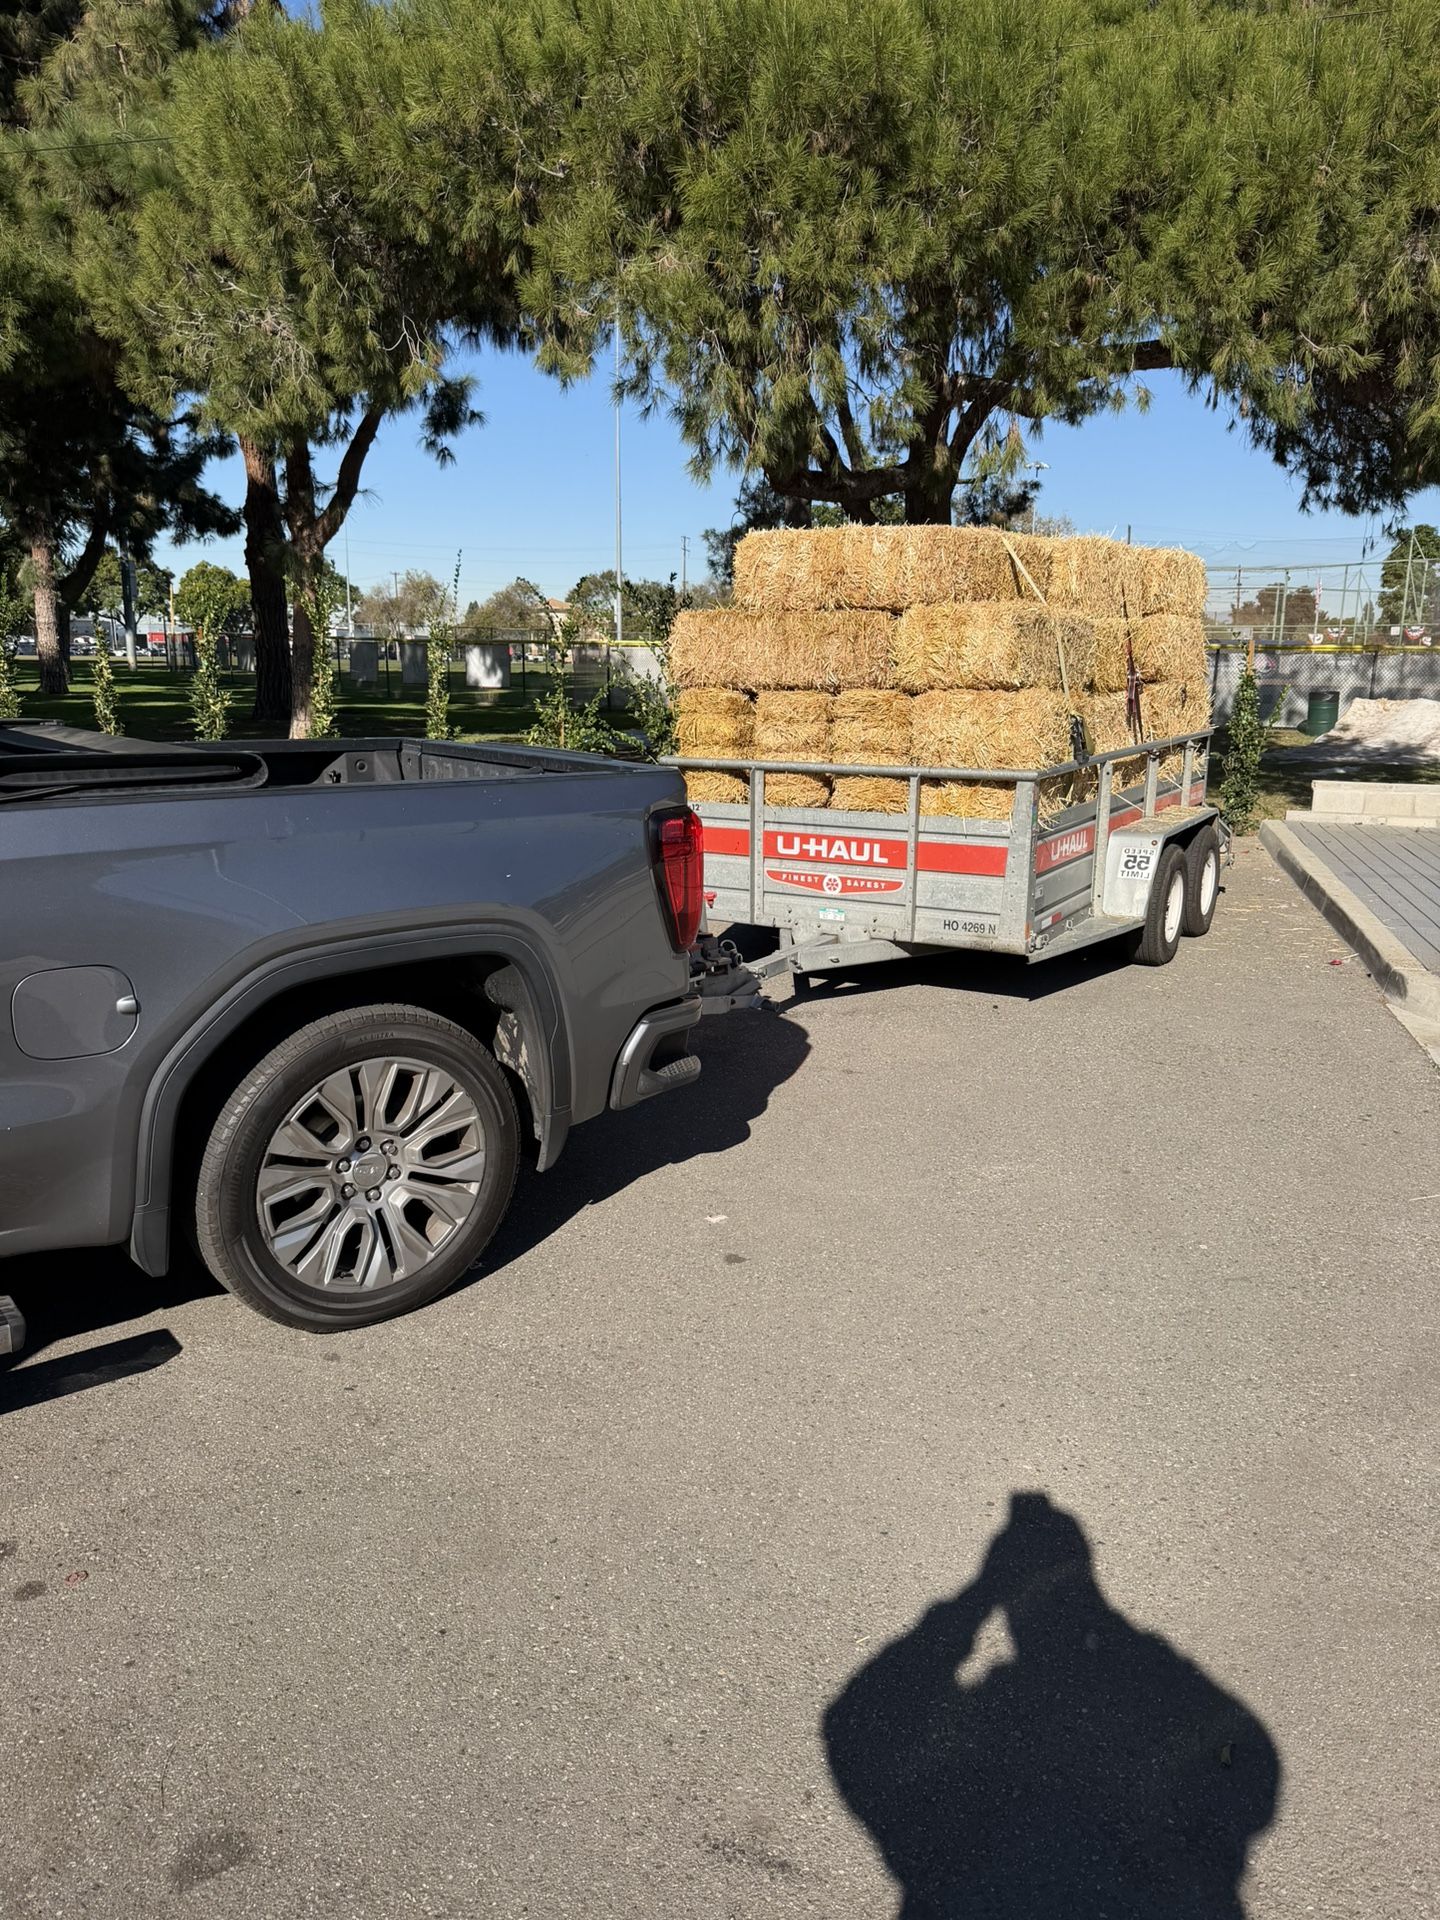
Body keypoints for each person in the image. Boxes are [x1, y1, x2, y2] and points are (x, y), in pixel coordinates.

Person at [824, 1492, 1280, 1919]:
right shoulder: (1173, 1802)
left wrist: (979, 1597)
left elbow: (858, 1723)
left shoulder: (960, 1807)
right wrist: (1100, 1630)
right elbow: (1241, 1755)